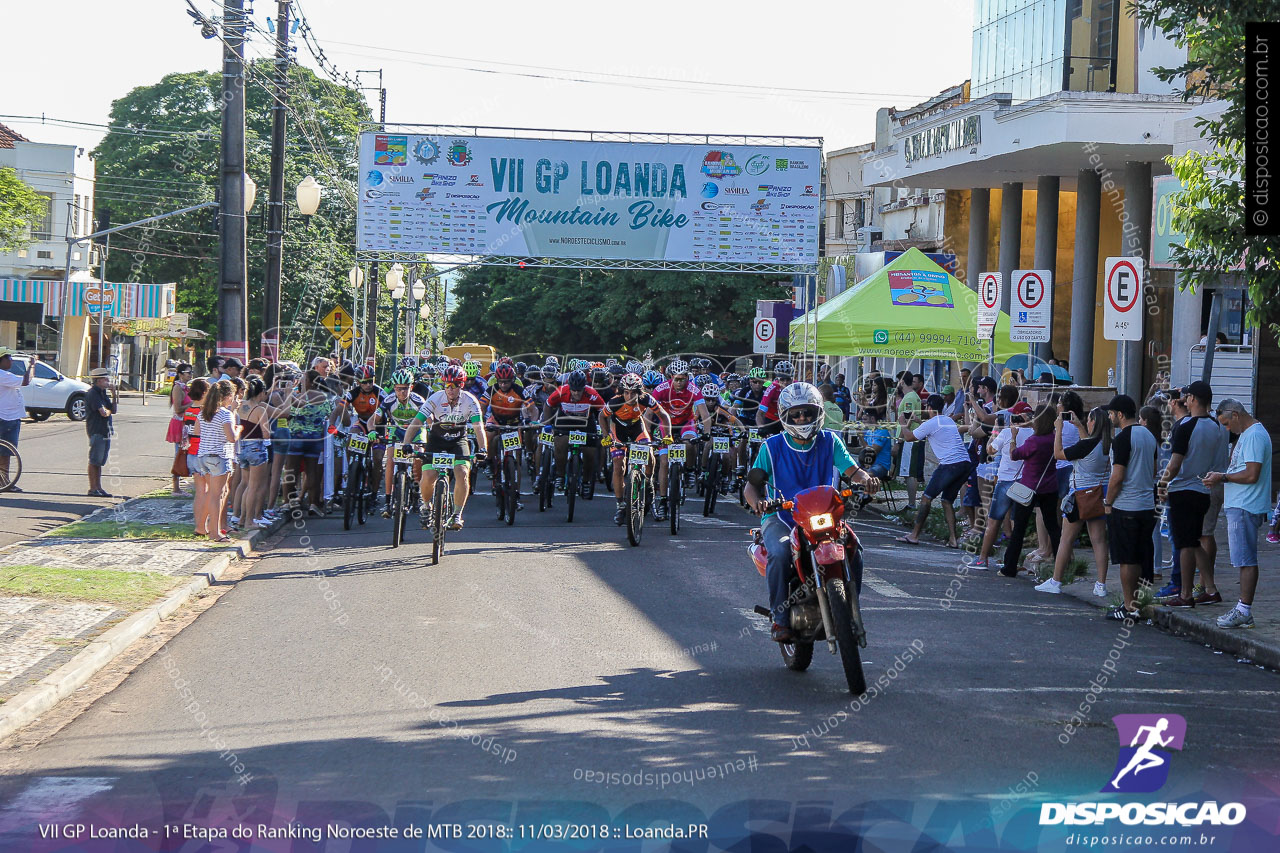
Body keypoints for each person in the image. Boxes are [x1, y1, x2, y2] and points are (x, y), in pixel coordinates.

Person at [744, 382, 881, 641]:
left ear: (817, 412)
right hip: (781, 517)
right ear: (785, 416)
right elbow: (751, 486)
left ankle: (851, 609)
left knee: (855, 547)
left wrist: (867, 480)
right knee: (780, 552)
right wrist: (758, 503)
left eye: (807, 412)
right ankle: (780, 619)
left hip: (823, 514)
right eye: (795, 414)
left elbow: (853, 471)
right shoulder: (771, 446)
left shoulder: (830, 441)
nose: (802, 418)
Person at [1158, 381, 1229, 608]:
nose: (1184, 400)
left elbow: (1176, 462)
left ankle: (1186, 594)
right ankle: (1210, 588)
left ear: (1194, 400)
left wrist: (1162, 483)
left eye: (1187, 397)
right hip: (1204, 488)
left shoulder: (1185, 425)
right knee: (1196, 540)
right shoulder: (1217, 426)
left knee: (1185, 544)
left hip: (1183, 488)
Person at [1204, 399, 1273, 629]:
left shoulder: (1253, 435)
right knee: (1243, 559)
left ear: (1235, 414)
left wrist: (1222, 477)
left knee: (1245, 559)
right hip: (1241, 504)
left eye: (1225, 423)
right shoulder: (1247, 434)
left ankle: (1244, 609)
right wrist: (1221, 476)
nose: (1226, 429)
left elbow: (1252, 474)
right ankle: (1243, 609)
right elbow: (1241, 470)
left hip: (1246, 505)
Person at [1037, 406, 1113, 596]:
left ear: (1094, 422)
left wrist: (1059, 429)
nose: (1087, 421)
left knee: (1066, 539)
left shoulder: (1085, 446)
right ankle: (1101, 585)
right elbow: (1088, 443)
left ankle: (1056, 581)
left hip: (1079, 495)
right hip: (1099, 495)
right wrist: (1079, 426)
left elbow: (1058, 454)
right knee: (1099, 540)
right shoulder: (1108, 444)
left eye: (1089, 419)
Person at [402, 363, 488, 531]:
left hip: (458, 440)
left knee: (462, 472)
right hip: (437, 439)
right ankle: (426, 506)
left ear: (461, 385)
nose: (450, 389)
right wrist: (406, 443)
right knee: (428, 477)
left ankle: (457, 514)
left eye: (454, 385)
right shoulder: (435, 398)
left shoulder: (470, 401)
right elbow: (417, 421)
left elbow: (478, 427)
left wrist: (483, 449)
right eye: (447, 385)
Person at [1103, 394, 1159, 620]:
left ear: (1120, 414)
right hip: (1146, 504)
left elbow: (1117, 476)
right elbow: (1154, 469)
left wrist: (1108, 502)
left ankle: (1129, 606)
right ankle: (1136, 602)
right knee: (1139, 555)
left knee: (1127, 558)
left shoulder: (1122, 439)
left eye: (1111, 413)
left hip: (1126, 506)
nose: (1109, 417)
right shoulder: (1149, 435)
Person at [895, 394, 972, 549]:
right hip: (965, 463)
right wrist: (918, 422)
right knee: (946, 501)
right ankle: (953, 539)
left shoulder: (931, 423)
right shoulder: (947, 420)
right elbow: (935, 430)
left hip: (949, 465)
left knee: (926, 498)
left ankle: (914, 535)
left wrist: (903, 423)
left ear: (929, 407)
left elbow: (909, 437)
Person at [600, 372, 672, 525]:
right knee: (618, 464)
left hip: (637, 428)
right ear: (622, 392)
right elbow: (602, 417)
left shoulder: (646, 398)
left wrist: (669, 435)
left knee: (650, 455)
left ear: (639, 392)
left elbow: (664, 416)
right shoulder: (615, 402)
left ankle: (649, 482)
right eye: (626, 392)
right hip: (618, 430)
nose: (629, 396)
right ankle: (620, 506)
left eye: (633, 392)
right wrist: (606, 437)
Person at [1000, 405, 1061, 577]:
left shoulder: (1034, 441)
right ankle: (1061, 562)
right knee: (1053, 526)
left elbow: (1015, 454)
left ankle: (1009, 566)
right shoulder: (1054, 438)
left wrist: (1013, 437)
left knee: (1019, 528)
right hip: (1050, 487)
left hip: (1029, 487)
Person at [195, 379, 237, 542]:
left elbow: (197, 432)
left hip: (203, 456)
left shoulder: (204, 412)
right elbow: (231, 438)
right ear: (227, 396)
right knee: (217, 495)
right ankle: (215, 532)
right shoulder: (226, 414)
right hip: (219, 455)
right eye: (232, 396)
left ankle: (201, 526)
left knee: (213, 493)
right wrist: (238, 430)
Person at [0, 347, 34, 491]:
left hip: (10, 417)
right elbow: (26, 381)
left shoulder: (5, 375)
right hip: (6, 418)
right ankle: (4, 482)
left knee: (6, 452)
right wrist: (32, 365)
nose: (11, 361)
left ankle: (4, 481)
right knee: (5, 452)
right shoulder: (2, 375)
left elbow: (26, 381)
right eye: (9, 358)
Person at [85, 368, 118, 498]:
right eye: (105, 379)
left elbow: (113, 410)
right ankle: (93, 488)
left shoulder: (103, 393)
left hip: (105, 430)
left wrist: (114, 394)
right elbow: (103, 413)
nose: (108, 382)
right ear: (98, 380)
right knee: (94, 460)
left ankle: (98, 487)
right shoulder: (93, 393)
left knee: (100, 461)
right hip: (97, 430)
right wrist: (108, 411)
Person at [167, 362, 193, 494]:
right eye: (188, 373)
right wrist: (193, 405)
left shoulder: (185, 388)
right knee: (179, 454)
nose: (190, 375)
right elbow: (178, 409)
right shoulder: (178, 388)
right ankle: (175, 487)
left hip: (186, 423)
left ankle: (179, 482)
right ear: (180, 374)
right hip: (179, 423)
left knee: (183, 453)